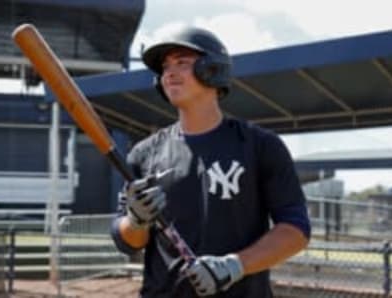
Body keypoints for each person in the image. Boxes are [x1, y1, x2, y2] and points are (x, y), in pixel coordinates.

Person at [111, 26, 310, 298]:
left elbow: (296, 230)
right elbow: (128, 242)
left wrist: (234, 265)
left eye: (182, 62)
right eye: (165, 67)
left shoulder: (260, 146)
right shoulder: (144, 154)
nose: (169, 73)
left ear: (213, 70)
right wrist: (136, 221)